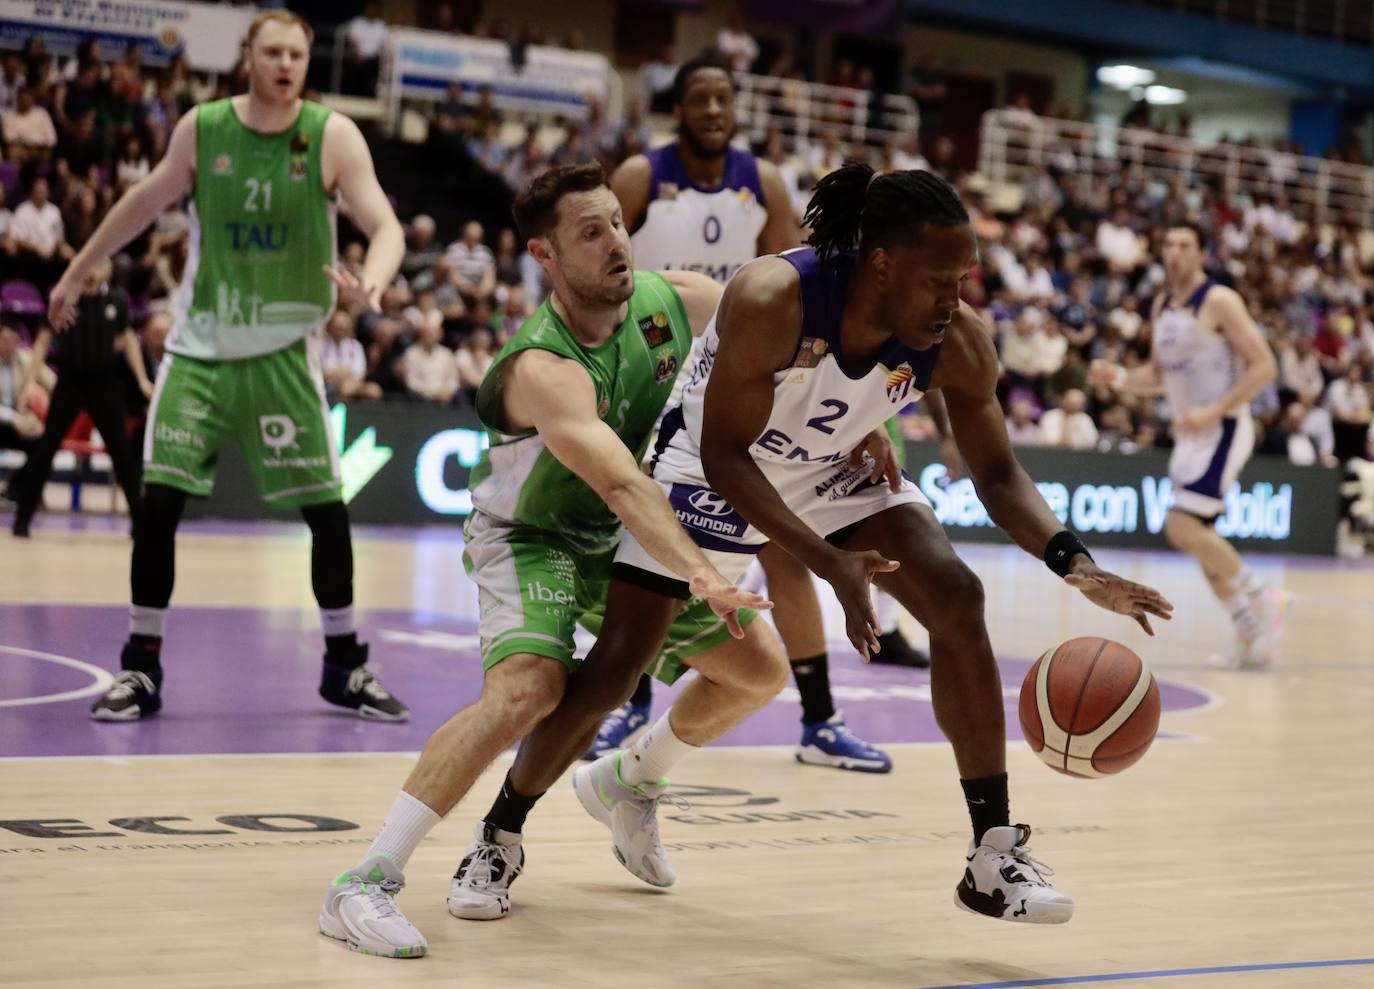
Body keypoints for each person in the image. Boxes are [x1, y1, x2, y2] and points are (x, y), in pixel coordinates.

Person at [558, 164, 1170, 928]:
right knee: (629, 661)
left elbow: (1000, 472)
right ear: (884, 263)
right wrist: (829, 564)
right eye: (941, 278)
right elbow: (727, 453)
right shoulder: (778, 295)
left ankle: (992, 853)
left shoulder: (959, 340)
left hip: (830, 468)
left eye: (965, 277)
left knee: (957, 596)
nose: (958, 296)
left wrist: (1076, 564)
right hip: (720, 467)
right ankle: (512, 823)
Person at [317, 163, 774, 958]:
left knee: (759, 671)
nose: (614, 244)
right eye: (589, 233)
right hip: (535, 534)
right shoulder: (541, 367)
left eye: (617, 224)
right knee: (531, 686)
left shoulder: (680, 301)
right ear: (547, 257)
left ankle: (631, 779)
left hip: (618, 533)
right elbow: (625, 483)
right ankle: (364, 880)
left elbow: (784, 355)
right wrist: (703, 571)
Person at [46, 11, 411, 721]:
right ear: (247, 56)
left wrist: (377, 278)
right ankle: (142, 666)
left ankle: (344, 663)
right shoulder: (203, 127)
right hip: (200, 349)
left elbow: (384, 224)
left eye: (297, 53)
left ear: (308, 63)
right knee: (159, 506)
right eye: (272, 51)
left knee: (327, 513)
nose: (285, 63)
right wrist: (77, 269)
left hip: (283, 354)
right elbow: (145, 201)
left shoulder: (332, 134)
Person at [590, 52, 925, 774]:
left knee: (789, 548)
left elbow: (813, 289)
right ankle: (627, 704)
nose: (714, 110)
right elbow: (596, 269)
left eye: (724, 99)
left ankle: (819, 718)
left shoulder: (764, 182)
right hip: (657, 363)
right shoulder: (641, 177)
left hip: (755, 373)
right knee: (658, 554)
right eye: (700, 99)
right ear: (677, 109)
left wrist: (858, 416)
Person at [1091, 222, 1283, 670]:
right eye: (1169, 244)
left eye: (1185, 245)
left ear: (1201, 254)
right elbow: (1157, 377)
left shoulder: (1219, 300)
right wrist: (1118, 377)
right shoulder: (1162, 304)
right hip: (1191, 434)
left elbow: (1265, 366)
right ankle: (1250, 633)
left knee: (1180, 526)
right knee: (1200, 540)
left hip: (1224, 428)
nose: (1175, 252)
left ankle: (1263, 595)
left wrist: (1215, 410)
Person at [10, 260, 149, 536]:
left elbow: (130, 341)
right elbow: (42, 342)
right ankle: (22, 520)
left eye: (97, 267)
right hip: (70, 382)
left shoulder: (115, 302)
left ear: (106, 272)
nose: (92, 272)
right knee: (45, 449)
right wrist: (28, 384)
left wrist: (143, 379)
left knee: (122, 453)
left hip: (104, 385)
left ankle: (140, 523)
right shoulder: (64, 300)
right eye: (87, 266)